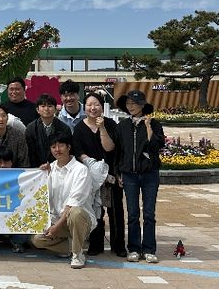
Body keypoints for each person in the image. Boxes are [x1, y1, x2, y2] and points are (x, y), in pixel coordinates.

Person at [31, 132, 96, 269]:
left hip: (80, 220)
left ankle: (77, 254)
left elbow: (72, 204)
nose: (57, 150)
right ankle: (74, 244)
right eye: (53, 147)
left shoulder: (81, 170)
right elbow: (39, 196)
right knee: (37, 240)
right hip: (58, 220)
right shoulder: (50, 169)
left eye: (61, 145)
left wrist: (57, 227)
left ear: (69, 147)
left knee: (76, 212)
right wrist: (42, 174)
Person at [73, 92, 125, 257]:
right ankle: (96, 244)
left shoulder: (111, 124)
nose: (93, 108)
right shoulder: (79, 128)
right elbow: (78, 152)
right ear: (84, 107)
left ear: (102, 107)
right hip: (90, 175)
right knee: (94, 209)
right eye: (89, 105)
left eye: (96, 104)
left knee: (115, 210)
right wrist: (92, 165)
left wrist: (102, 127)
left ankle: (118, 245)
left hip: (110, 174)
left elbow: (110, 148)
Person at [116, 90, 165, 264]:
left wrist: (148, 127)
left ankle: (149, 249)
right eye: (128, 104)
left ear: (142, 105)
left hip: (150, 174)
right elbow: (119, 151)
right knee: (133, 213)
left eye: (134, 103)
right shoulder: (122, 126)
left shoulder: (154, 124)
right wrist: (118, 172)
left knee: (149, 213)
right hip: (130, 175)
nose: (131, 107)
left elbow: (157, 145)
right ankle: (134, 249)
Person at [26, 94, 72, 168]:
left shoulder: (64, 128)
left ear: (55, 109)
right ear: (37, 110)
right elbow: (30, 153)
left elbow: (68, 151)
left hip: (59, 167)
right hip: (37, 169)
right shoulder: (31, 128)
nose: (46, 109)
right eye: (43, 106)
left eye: (50, 106)